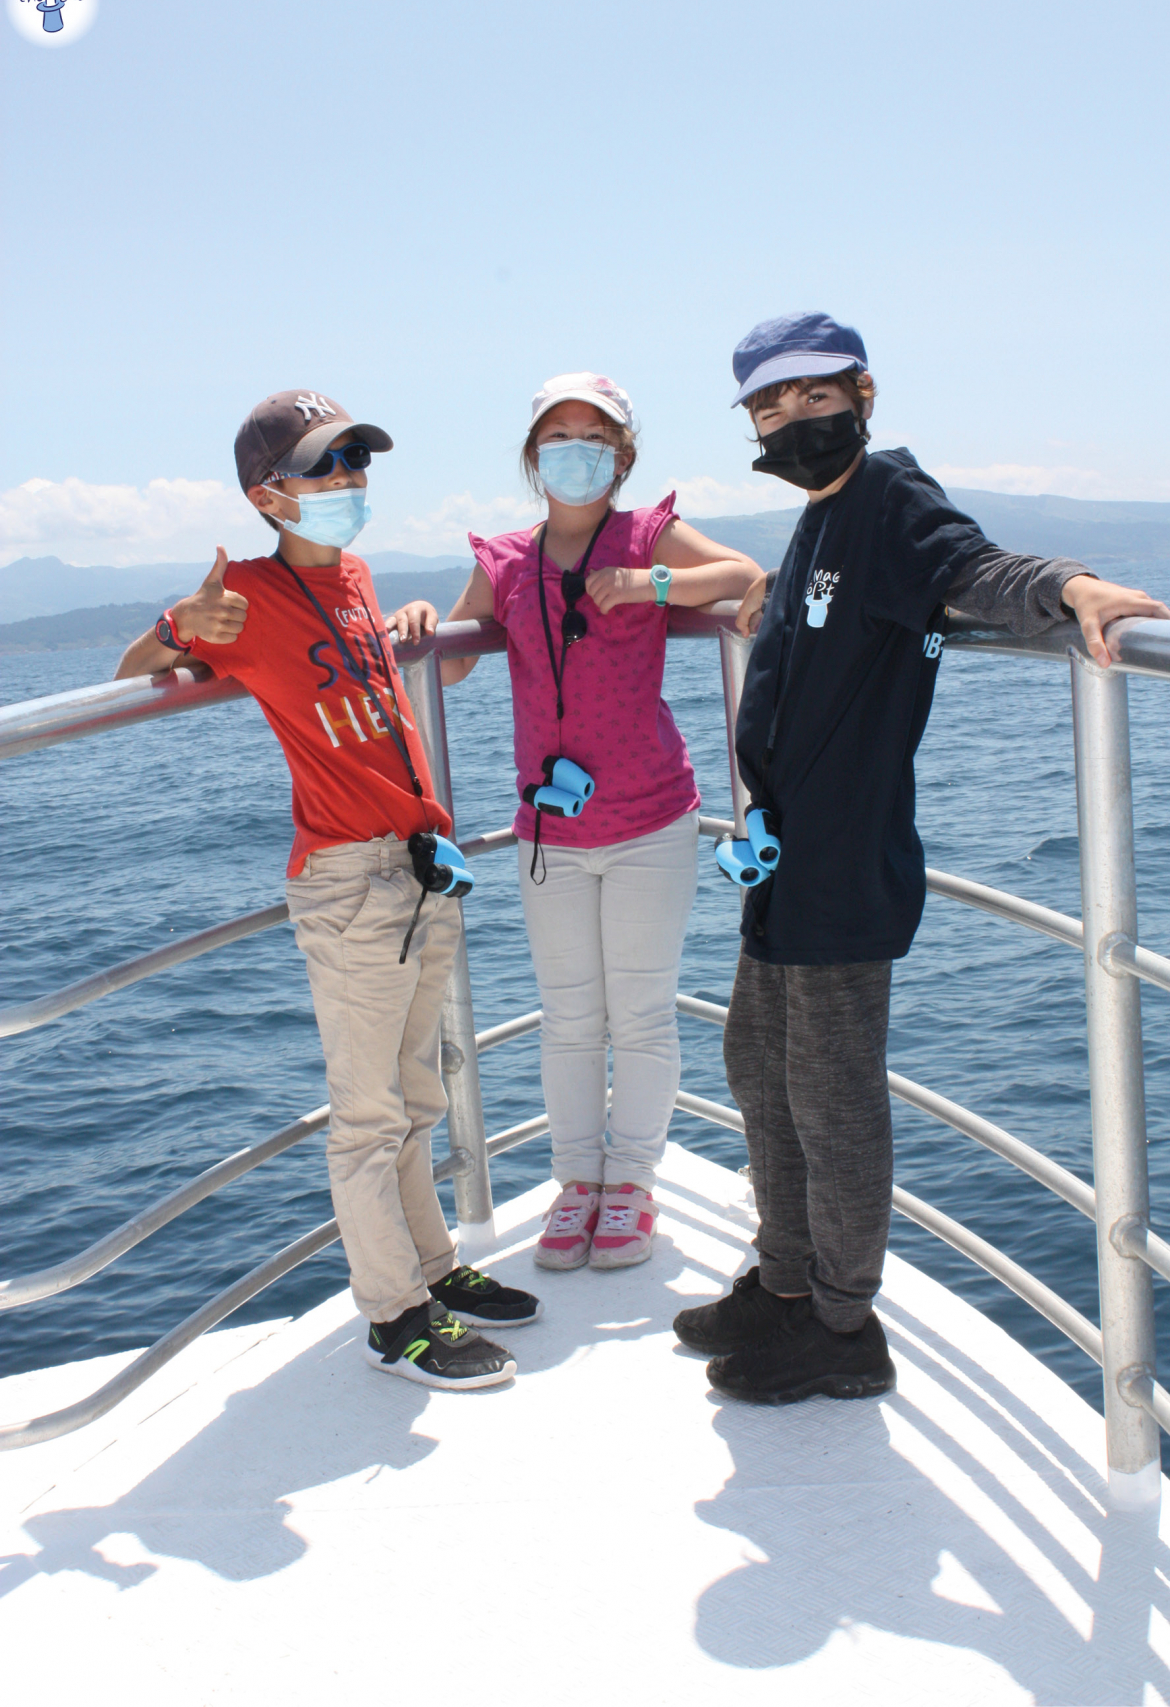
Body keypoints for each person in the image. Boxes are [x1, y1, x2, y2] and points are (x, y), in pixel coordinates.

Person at [672, 312, 1170, 1405]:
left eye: (813, 398)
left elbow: (973, 565)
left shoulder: (887, 498)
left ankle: (843, 1328)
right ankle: (787, 1281)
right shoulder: (818, 519)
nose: (792, 421)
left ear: (863, 392)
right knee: (757, 1070)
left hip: (846, 868)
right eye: (770, 406)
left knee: (831, 1100)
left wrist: (1073, 590)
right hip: (781, 866)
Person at [115, 388, 540, 1391]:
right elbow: (140, 672)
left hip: (418, 865)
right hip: (350, 883)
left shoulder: (353, 571)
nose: (349, 480)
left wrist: (419, 618)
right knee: (367, 1116)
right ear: (267, 495)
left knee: (420, 1093)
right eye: (326, 467)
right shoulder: (245, 597)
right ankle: (393, 1317)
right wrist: (181, 621)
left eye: (357, 461)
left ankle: (433, 1270)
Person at [428, 373, 762, 1272]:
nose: (576, 451)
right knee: (570, 1016)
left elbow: (743, 575)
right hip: (552, 833)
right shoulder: (502, 561)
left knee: (643, 1013)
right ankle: (578, 1183)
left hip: (653, 817)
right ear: (534, 458)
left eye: (595, 436)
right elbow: (452, 666)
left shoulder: (648, 534)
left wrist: (653, 584)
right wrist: (422, 626)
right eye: (559, 436)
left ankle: (633, 1185)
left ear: (622, 454)